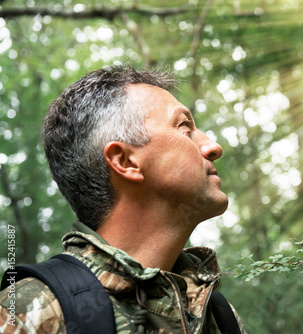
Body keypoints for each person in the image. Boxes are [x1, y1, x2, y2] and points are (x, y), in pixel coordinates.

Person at [0, 64, 246, 333]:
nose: (213, 147)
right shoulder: (30, 312)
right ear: (125, 161)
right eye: (184, 127)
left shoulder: (221, 317)